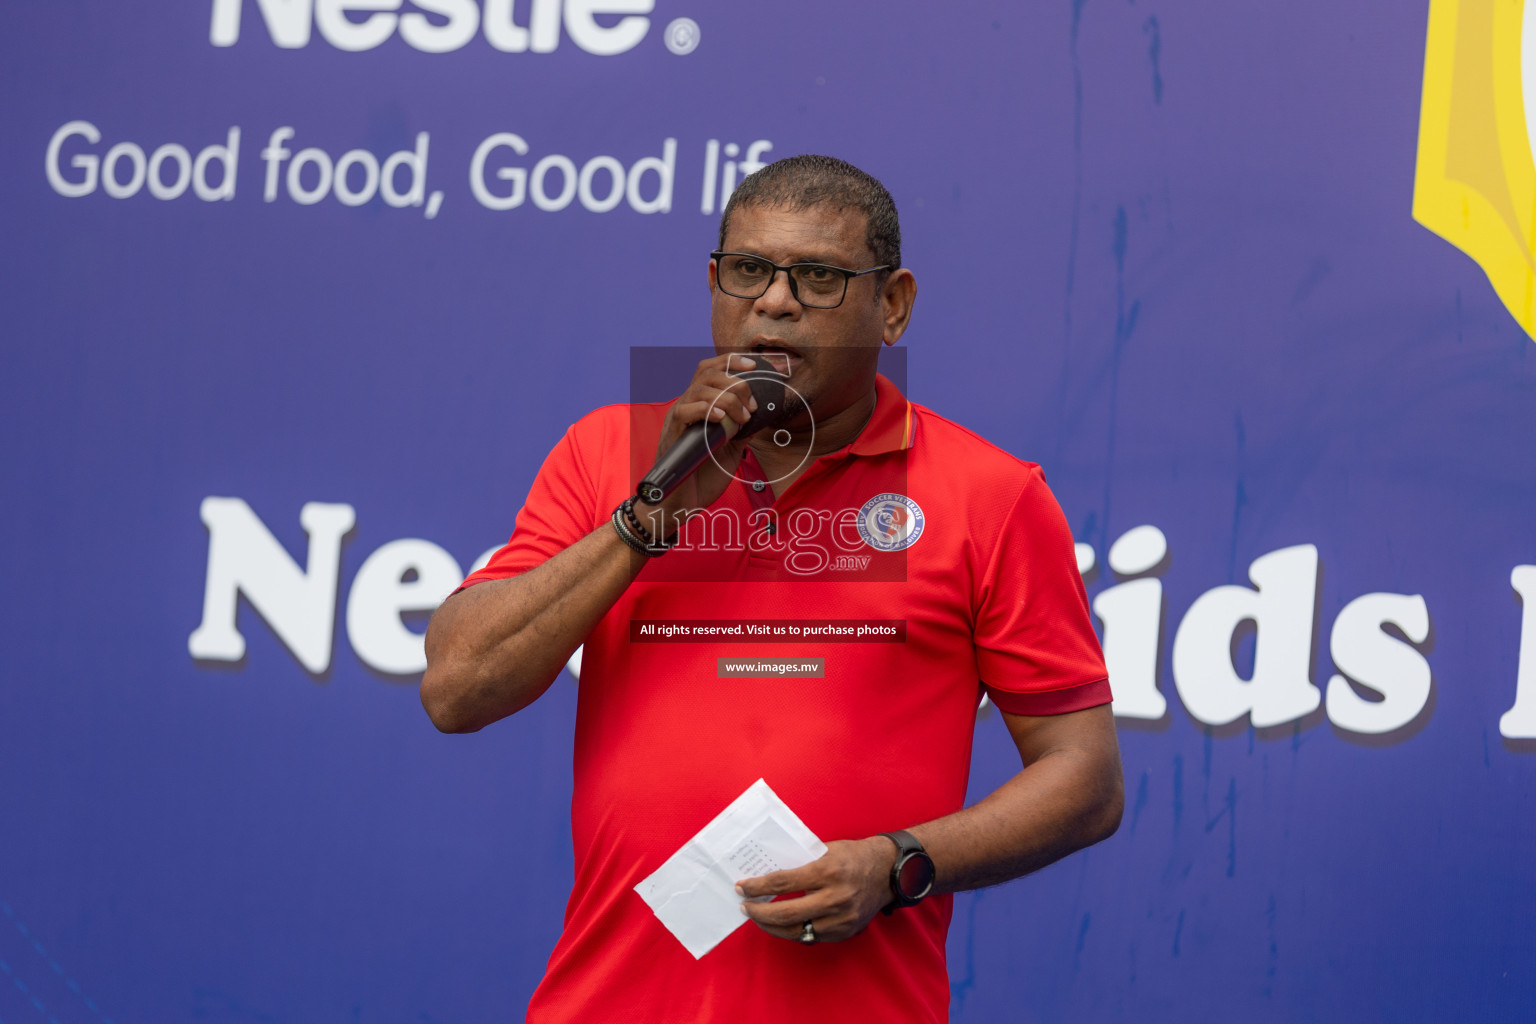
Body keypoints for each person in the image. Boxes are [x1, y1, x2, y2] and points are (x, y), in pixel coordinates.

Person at [421, 155, 1123, 1022]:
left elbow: (1085, 780)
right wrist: (649, 519)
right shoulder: (607, 452)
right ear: (714, 284)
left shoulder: (992, 496)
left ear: (894, 305)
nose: (775, 301)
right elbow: (456, 689)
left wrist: (899, 862)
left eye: (819, 278)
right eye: (749, 270)